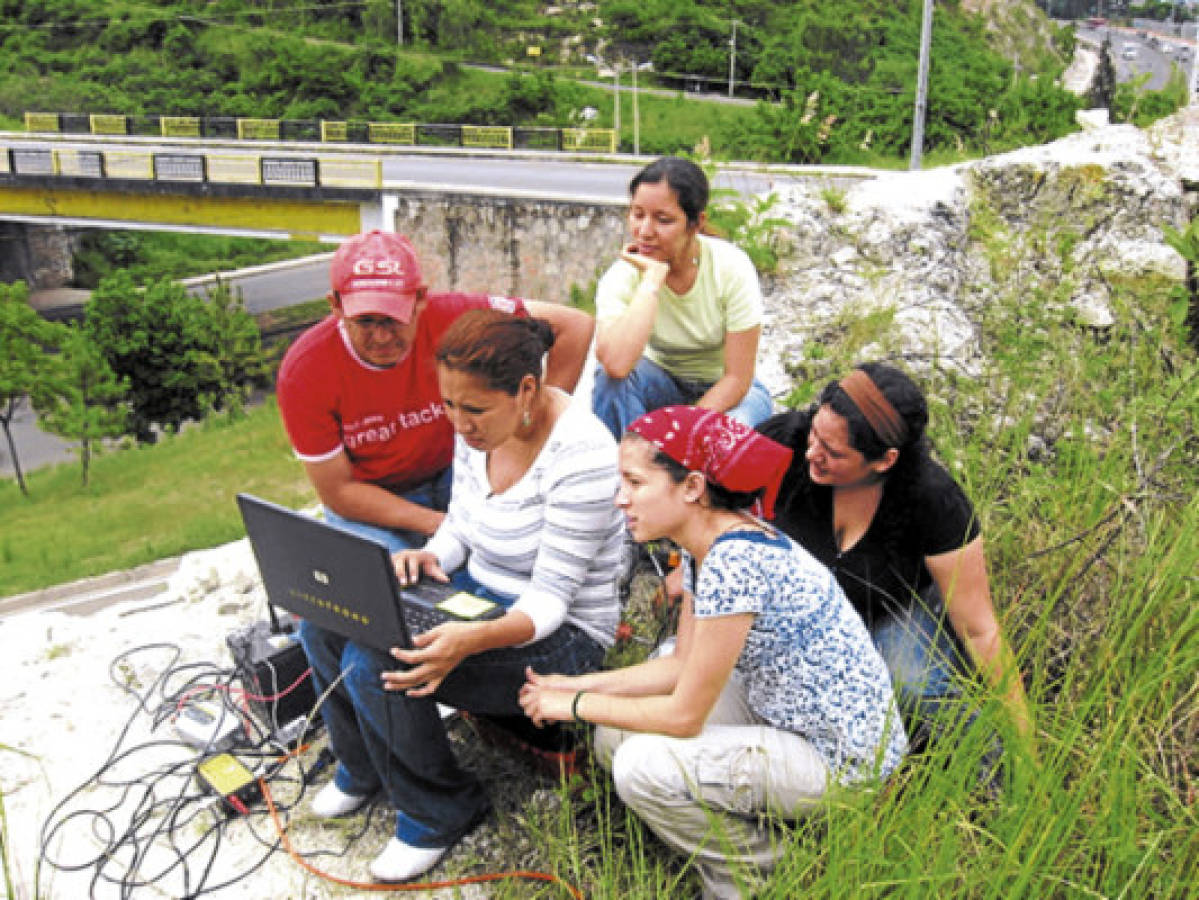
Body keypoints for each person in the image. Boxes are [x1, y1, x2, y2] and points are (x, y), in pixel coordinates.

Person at [520, 406, 906, 899]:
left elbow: (683, 715)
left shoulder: (734, 562)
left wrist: (570, 705)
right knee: (613, 736)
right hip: (784, 713)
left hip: (843, 761)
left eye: (635, 483)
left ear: (692, 487)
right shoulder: (715, 543)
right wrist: (574, 686)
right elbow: (680, 665)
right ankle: (741, 836)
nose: (621, 499)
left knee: (641, 765)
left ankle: (762, 873)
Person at [301, 309, 624, 882]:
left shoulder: (583, 455)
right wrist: (432, 556)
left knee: (377, 658)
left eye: (473, 409)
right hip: (482, 594)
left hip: (561, 634)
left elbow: (549, 603)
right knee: (324, 622)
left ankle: (438, 810)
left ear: (527, 388)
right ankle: (362, 767)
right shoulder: (478, 432)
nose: (459, 423)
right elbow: (462, 524)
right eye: (448, 406)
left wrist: (469, 640)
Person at [756, 363, 1034, 751]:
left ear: (884, 460)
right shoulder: (786, 440)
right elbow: (707, 498)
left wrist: (1025, 738)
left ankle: (994, 772)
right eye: (816, 434)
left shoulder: (932, 500)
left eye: (832, 452)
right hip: (799, 611)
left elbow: (979, 628)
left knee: (912, 681)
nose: (811, 453)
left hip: (889, 609)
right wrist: (689, 565)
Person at [276, 229, 593, 553]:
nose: (382, 337)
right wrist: (443, 526)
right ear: (336, 306)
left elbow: (573, 326)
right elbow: (339, 491)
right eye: (366, 321)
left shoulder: (454, 316)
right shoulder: (304, 372)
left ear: (420, 300)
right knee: (395, 586)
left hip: (455, 473)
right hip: (373, 499)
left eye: (393, 319)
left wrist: (530, 424)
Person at [590, 156, 774, 439]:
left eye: (663, 220)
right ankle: (630, 474)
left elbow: (737, 377)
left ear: (696, 223)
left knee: (726, 440)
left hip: (728, 391)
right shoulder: (623, 276)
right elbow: (615, 364)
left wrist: (684, 431)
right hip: (659, 384)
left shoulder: (730, 267)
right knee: (609, 384)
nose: (645, 231)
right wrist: (651, 281)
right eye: (637, 215)